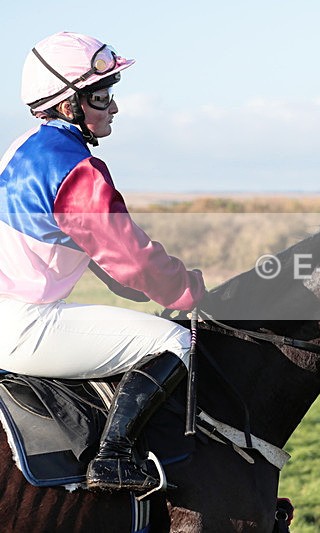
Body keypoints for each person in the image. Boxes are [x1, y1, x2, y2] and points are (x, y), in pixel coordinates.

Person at [0, 31, 205, 493]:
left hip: (10, 317)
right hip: (28, 324)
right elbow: (132, 257)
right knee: (175, 341)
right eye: (101, 95)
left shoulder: (24, 148)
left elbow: (100, 255)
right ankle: (113, 458)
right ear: (68, 104)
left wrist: (136, 286)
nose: (113, 107)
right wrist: (188, 289)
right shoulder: (77, 168)